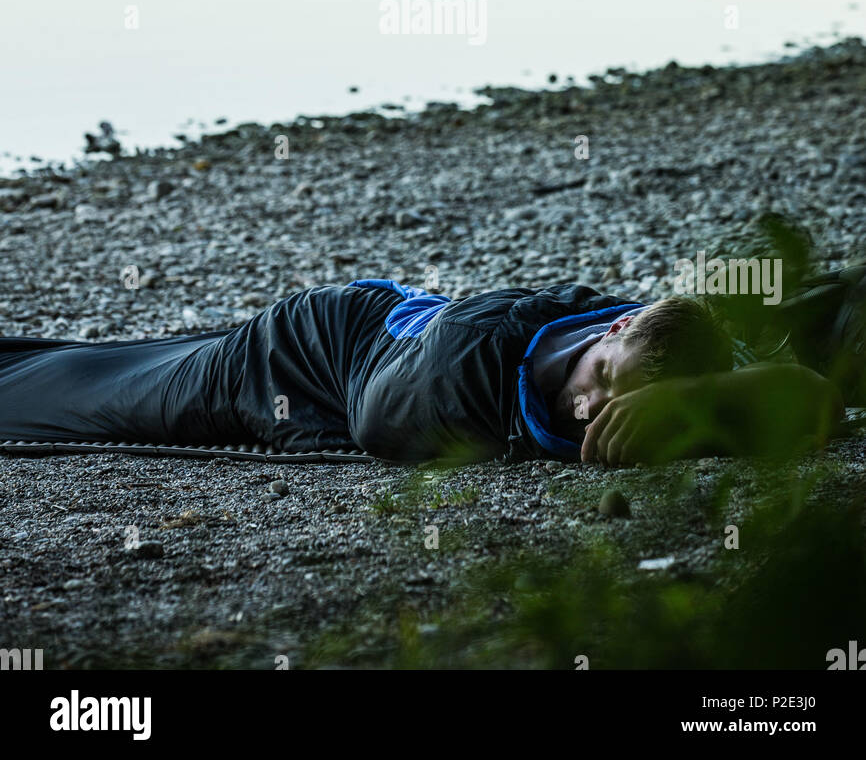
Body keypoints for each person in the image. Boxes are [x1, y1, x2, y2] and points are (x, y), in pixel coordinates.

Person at [0, 272, 846, 465]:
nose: (591, 410)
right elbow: (377, 426)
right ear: (612, 329)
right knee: (119, 397)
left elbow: (815, 402)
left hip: (388, 330)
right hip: (310, 353)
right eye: (603, 379)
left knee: (139, 363)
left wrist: (693, 399)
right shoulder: (476, 366)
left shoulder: (667, 341)